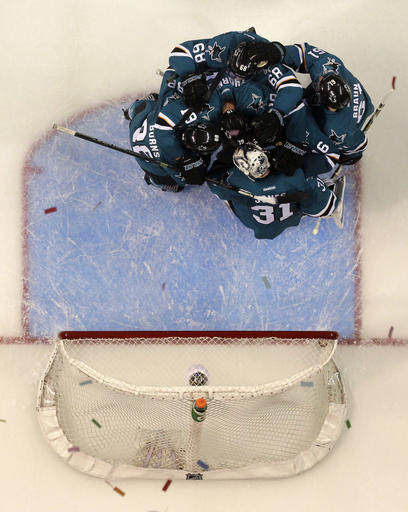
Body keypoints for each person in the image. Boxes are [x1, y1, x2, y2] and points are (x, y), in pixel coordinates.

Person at [207, 143, 343, 240]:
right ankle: (327, 193)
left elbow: (212, 183)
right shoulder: (294, 175)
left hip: (258, 226)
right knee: (309, 186)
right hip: (292, 216)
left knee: (230, 195)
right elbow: (321, 207)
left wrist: (222, 160)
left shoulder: (235, 179)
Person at [283, 43, 374, 165]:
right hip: (357, 104)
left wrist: (351, 157)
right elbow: (303, 53)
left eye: (320, 86)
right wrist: (278, 52)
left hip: (349, 123)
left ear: (328, 106)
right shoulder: (331, 68)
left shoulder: (337, 129)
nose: (320, 79)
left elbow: (357, 146)